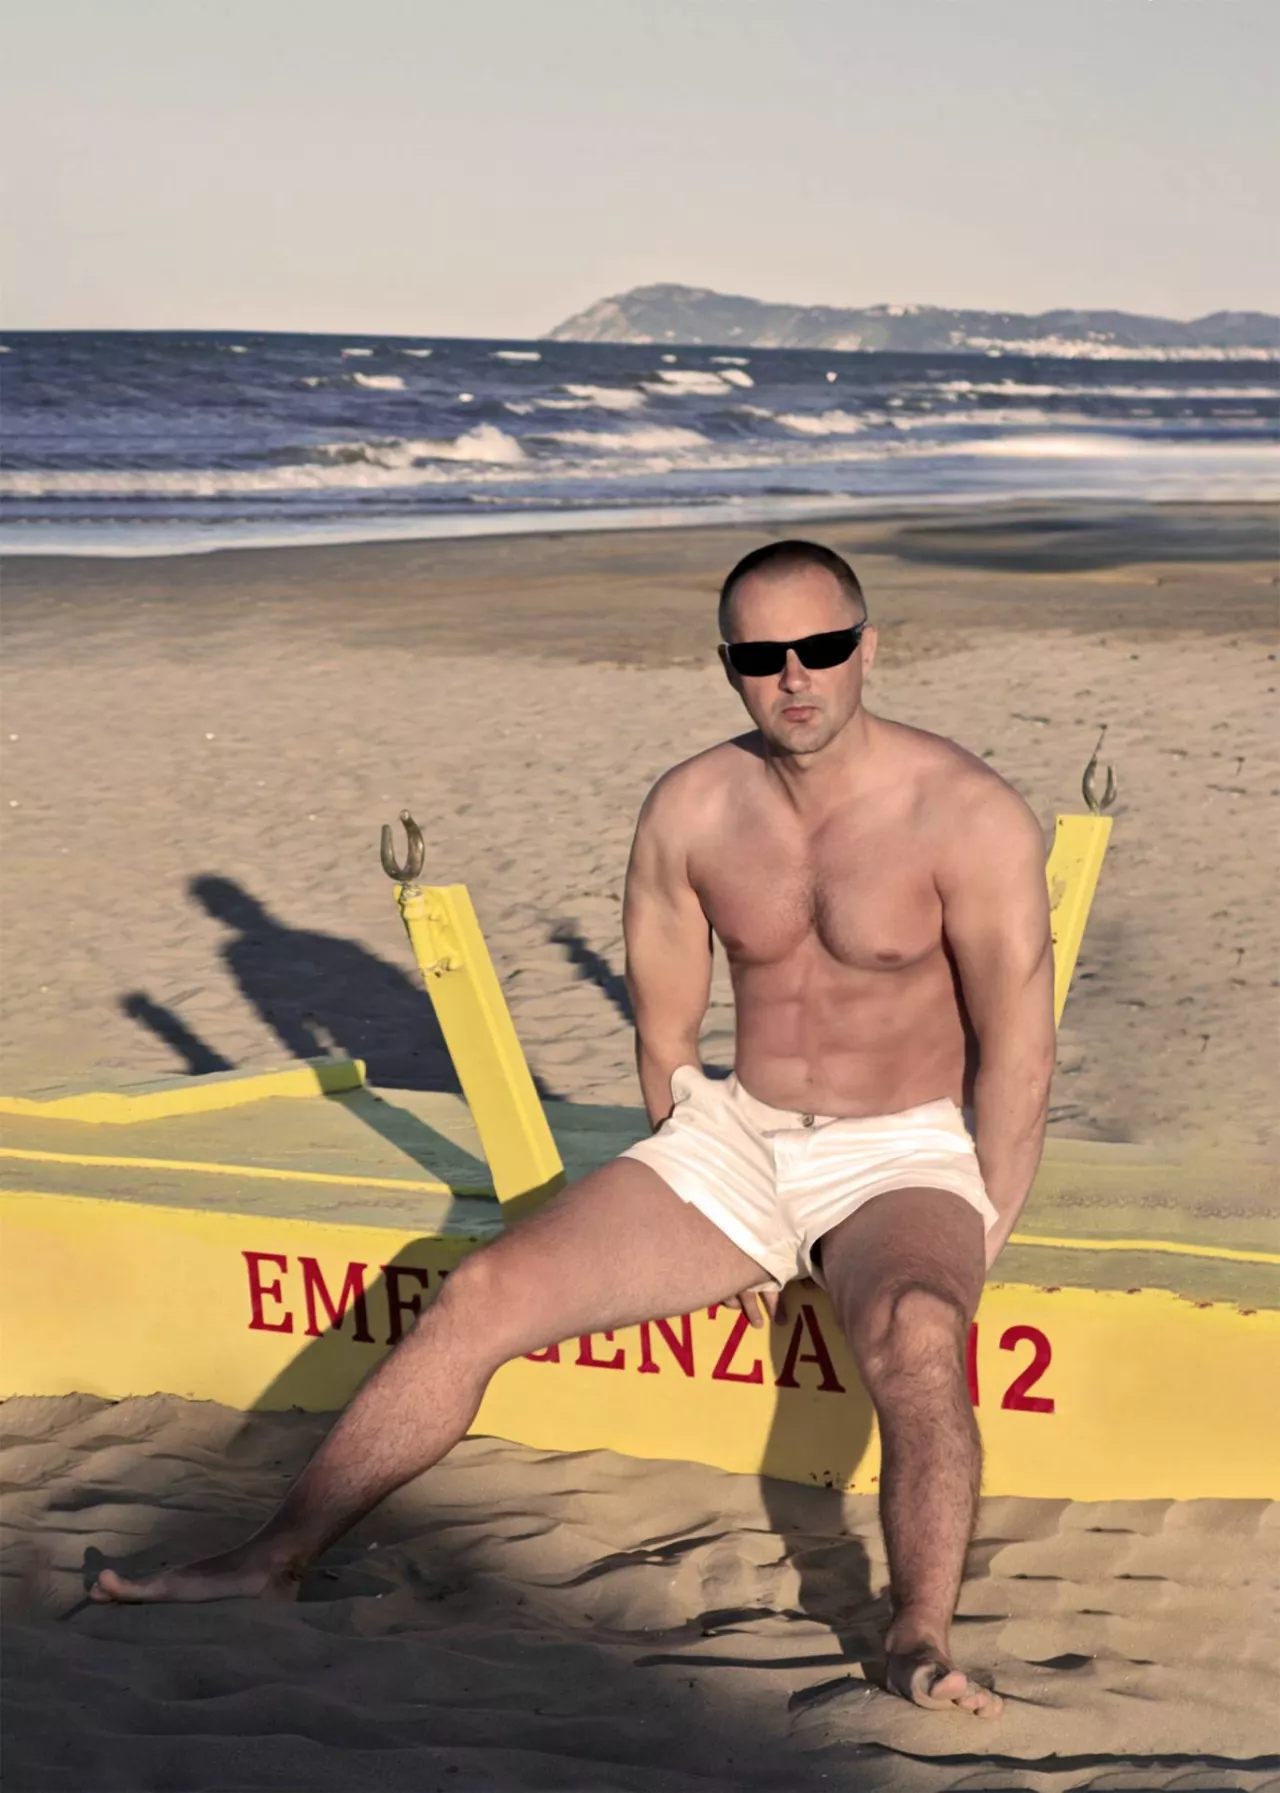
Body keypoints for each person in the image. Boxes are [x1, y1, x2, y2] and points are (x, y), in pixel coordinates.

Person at [92, 540, 1055, 1719]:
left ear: (866, 647)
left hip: (895, 1146)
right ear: (727, 666)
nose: (793, 675)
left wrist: (981, 1223)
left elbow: (1019, 1045)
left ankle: (916, 1634)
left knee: (916, 1330)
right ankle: (273, 1554)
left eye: (819, 646)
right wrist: (711, 1205)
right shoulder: (692, 805)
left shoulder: (965, 813)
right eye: (761, 655)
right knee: (480, 1291)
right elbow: (664, 1032)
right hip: (734, 1136)